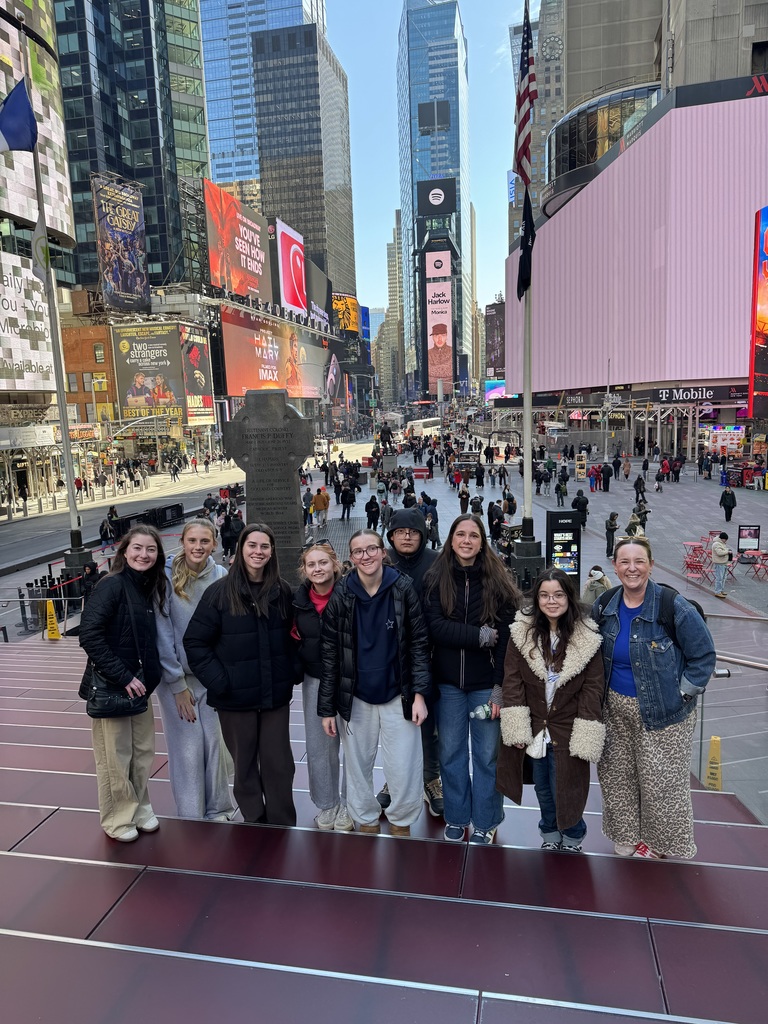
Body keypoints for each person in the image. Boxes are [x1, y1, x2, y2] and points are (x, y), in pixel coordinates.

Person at [592, 537, 716, 859]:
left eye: (639, 561)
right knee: (617, 777)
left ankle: (661, 844)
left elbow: (703, 656)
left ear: (651, 564)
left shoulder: (672, 606)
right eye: (624, 562)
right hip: (614, 709)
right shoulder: (605, 604)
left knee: (661, 786)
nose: (632, 568)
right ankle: (627, 836)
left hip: (664, 714)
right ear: (615, 566)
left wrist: (682, 694)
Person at [184, 523, 301, 825]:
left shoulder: (282, 591)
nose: (258, 552)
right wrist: (220, 682)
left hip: (274, 695)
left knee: (279, 763)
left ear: (271, 551)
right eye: (252, 545)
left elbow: (295, 638)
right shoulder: (219, 593)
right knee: (245, 764)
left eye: (264, 546)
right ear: (241, 549)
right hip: (234, 699)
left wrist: (290, 673)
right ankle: (255, 820)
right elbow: (195, 642)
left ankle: (281, 821)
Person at [319, 530, 431, 837]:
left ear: (383, 552)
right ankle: (365, 818)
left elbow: (419, 644)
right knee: (357, 764)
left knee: (403, 765)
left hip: (399, 693)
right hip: (356, 696)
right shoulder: (342, 594)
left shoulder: (403, 588)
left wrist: (420, 694)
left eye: (372, 549)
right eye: (358, 551)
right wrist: (327, 707)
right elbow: (330, 653)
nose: (366, 556)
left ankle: (401, 820)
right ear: (351, 558)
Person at [424, 514, 519, 845]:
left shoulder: (498, 582)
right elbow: (435, 627)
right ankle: (456, 816)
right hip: (448, 684)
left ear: (482, 542)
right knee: (450, 754)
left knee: (487, 756)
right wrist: (480, 635)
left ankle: (486, 819)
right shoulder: (436, 578)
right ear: (451, 539)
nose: (466, 540)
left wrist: (498, 689)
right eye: (460, 534)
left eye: (473, 535)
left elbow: (506, 639)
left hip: (484, 686)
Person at [497, 568, 605, 853]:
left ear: (569, 597)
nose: (551, 601)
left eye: (558, 594)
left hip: (568, 726)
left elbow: (593, 688)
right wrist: (517, 725)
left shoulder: (587, 638)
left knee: (567, 786)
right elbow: (512, 680)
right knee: (543, 785)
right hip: (534, 725)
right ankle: (549, 832)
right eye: (544, 595)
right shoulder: (522, 633)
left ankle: (572, 834)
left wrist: (585, 728)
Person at [79, 526, 167, 841]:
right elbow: (89, 635)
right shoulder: (111, 585)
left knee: (142, 753)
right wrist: (124, 675)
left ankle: (139, 807)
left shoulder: (149, 586)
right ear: (125, 551)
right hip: (116, 685)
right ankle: (118, 818)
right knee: (114, 758)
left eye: (151, 549)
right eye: (137, 548)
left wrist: (147, 678)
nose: (144, 554)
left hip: (140, 686)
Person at [155, 520, 234, 821]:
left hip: (211, 677)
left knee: (214, 743)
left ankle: (219, 808)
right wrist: (176, 685)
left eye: (204, 541)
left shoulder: (222, 576)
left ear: (214, 543)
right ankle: (192, 815)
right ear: (183, 542)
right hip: (177, 679)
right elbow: (162, 632)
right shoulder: (165, 579)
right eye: (192, 540)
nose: (198, 547)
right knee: (188, 748)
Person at [384, 507, 442, 816]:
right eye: (401, 532)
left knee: (429, 725)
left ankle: (431, 779)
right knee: (392, 724)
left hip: (430, 655)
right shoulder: (380, 562)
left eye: (413, 532)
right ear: (391, 535)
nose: (407, 536)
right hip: (389, 658)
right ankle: (393, 781)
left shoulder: (436, 564)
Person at [292, 543, 352, 832]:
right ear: (304, 570)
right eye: (311, 564)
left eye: (323, 563)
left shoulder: (352, 594)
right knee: (320, 746)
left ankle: (351, 804)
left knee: (354, 746)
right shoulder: (298, 601)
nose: (318, 569)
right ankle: (328, 804)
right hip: (316, 679)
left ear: (335, 564)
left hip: (351, 680)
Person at [711, 532, 731, 599]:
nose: (726, 541)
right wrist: (727, 551)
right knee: (719, 578)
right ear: (722, 539)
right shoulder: (717, 544)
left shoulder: (721, 543)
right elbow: (719, 553)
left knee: (723, 578)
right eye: (725, 539)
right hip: (719, 563)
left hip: (724, 563)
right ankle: (718, 592)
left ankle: (721, 590)